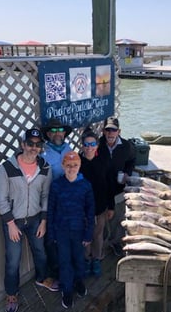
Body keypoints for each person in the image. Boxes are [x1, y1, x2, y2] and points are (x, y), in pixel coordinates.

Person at [0, 128, 59, 312]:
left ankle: (42, 278)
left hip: (35, 219)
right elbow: (1, 198)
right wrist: (10, 224)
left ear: (41, 147)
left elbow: (46, 195)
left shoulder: (45, 167)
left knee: (40, 251)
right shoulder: (7, 167)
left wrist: (44, 221)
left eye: (38, 145)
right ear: (22, 145)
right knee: (13, 260)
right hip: (13, 222)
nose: (33, 147)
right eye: (30, 143)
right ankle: (11, 293)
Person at [47, 151, 95, 309]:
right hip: (61, 231)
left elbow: (90, 211)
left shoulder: (86, 185)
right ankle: (67, 290)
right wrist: (52, 233)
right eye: (68, 165)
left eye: (75, 165)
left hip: (79, 230)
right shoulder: (56, 185)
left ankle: (79, 281)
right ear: (63, 166)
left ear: (79, 166)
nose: (71, 168)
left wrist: (88, 233)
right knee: (64, 261)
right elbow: (51, 210)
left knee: (79, 259)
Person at [98, 116, 136, 257]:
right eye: (108, 130)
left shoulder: (126, 146)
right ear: (103, 131)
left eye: (113, 130)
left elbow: (132, 159)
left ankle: (115, 243)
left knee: (118, 219)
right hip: (102, 190)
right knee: (101, 220)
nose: (110, 134)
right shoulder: (98, 145)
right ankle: (101, 245)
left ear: (119, 131)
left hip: (118, 189)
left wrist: (127, 173)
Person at [40, 118, 72, 280]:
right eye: (53, 131)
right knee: (51, 240)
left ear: (65, 133)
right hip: (50, 204)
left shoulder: (69, 149)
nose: (57, 133)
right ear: (47, 134)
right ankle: (56, 272)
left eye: (60, 130)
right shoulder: (42, 153)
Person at [79, 127, 113, 277]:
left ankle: (96, 259)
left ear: (97, 146)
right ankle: (86, 259)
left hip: (100, 206)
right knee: (85, 235)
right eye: (86, 144)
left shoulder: (104, 161)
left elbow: (110, 184)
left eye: (93, 144)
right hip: (83, 208)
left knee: (98, 234)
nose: (89, 148)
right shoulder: (77, 163)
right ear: (82, 146)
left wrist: (111, 206)